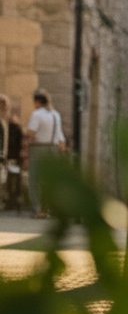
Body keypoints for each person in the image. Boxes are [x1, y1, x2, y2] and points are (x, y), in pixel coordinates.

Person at [26, 90, 66, 219]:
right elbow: (60, 137)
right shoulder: (55, 114)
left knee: (34, 179)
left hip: (39, 148)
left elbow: (31, 132)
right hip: (53, 148)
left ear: (38, 102)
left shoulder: (37, 114)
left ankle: (37, 209)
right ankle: (48, 209)